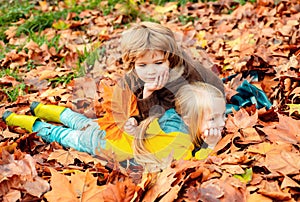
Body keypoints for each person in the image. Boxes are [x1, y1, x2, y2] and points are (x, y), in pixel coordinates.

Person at [2, 82, 226, 172]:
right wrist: (210, 144)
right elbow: (191, 165)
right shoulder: (179, 143)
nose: (222, 123)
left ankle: (37, 106)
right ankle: (12, 118)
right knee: (61, 134)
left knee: (77, 120)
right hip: (103, 145)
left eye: (222, 116)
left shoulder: (170, 117)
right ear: (188, 119)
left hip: (111, 132)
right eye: (213, 118)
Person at [119, 21, 225, 135]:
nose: (151, 71)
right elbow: (126, 105)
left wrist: (148, 95)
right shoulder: (132, 77)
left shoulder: (180, 77)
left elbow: (160, 119)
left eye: (159, 63)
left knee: (173, 128)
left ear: (170, 59)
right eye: (142, 65)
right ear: (133, 64)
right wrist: (132, 119)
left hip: (192, 107)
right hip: (164, 112)